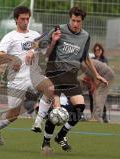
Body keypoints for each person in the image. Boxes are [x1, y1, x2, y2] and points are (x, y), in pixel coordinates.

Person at [31, 7, 108, 154]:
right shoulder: (59, 29)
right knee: (56, 110)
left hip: (71, 76)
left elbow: (85, 58)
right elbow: (40, 42)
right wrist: (31, 51)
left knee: (79, 107)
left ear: (82, 21)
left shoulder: (85, 36)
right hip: (55, 73)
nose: (75, 24)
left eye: (78, 21)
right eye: (73, 20)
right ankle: (46, 142)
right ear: (70, 18)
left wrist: (96, 74)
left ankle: (61, 136)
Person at [0, 6, 56, 145]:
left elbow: (42, 49)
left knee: (50, 88)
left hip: (33, 76)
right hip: (16, 80)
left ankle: (37, 122)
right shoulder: (10, 36)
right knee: (13, 115)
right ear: (16, 20)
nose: (25, 21)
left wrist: (52, 41)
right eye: (22, 19)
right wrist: (13, 58)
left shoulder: (34, 34)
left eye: (27, 19)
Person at [89, 43, 109, 122]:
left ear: (101, 50)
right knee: (92, 100)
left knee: (100, 101)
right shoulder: (92, 59)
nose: (97, 51)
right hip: (92, 82)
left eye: (98, 50)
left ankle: (104, 117)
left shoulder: (104, 60)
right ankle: (93, 116)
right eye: (95, 50)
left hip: (101, 83)